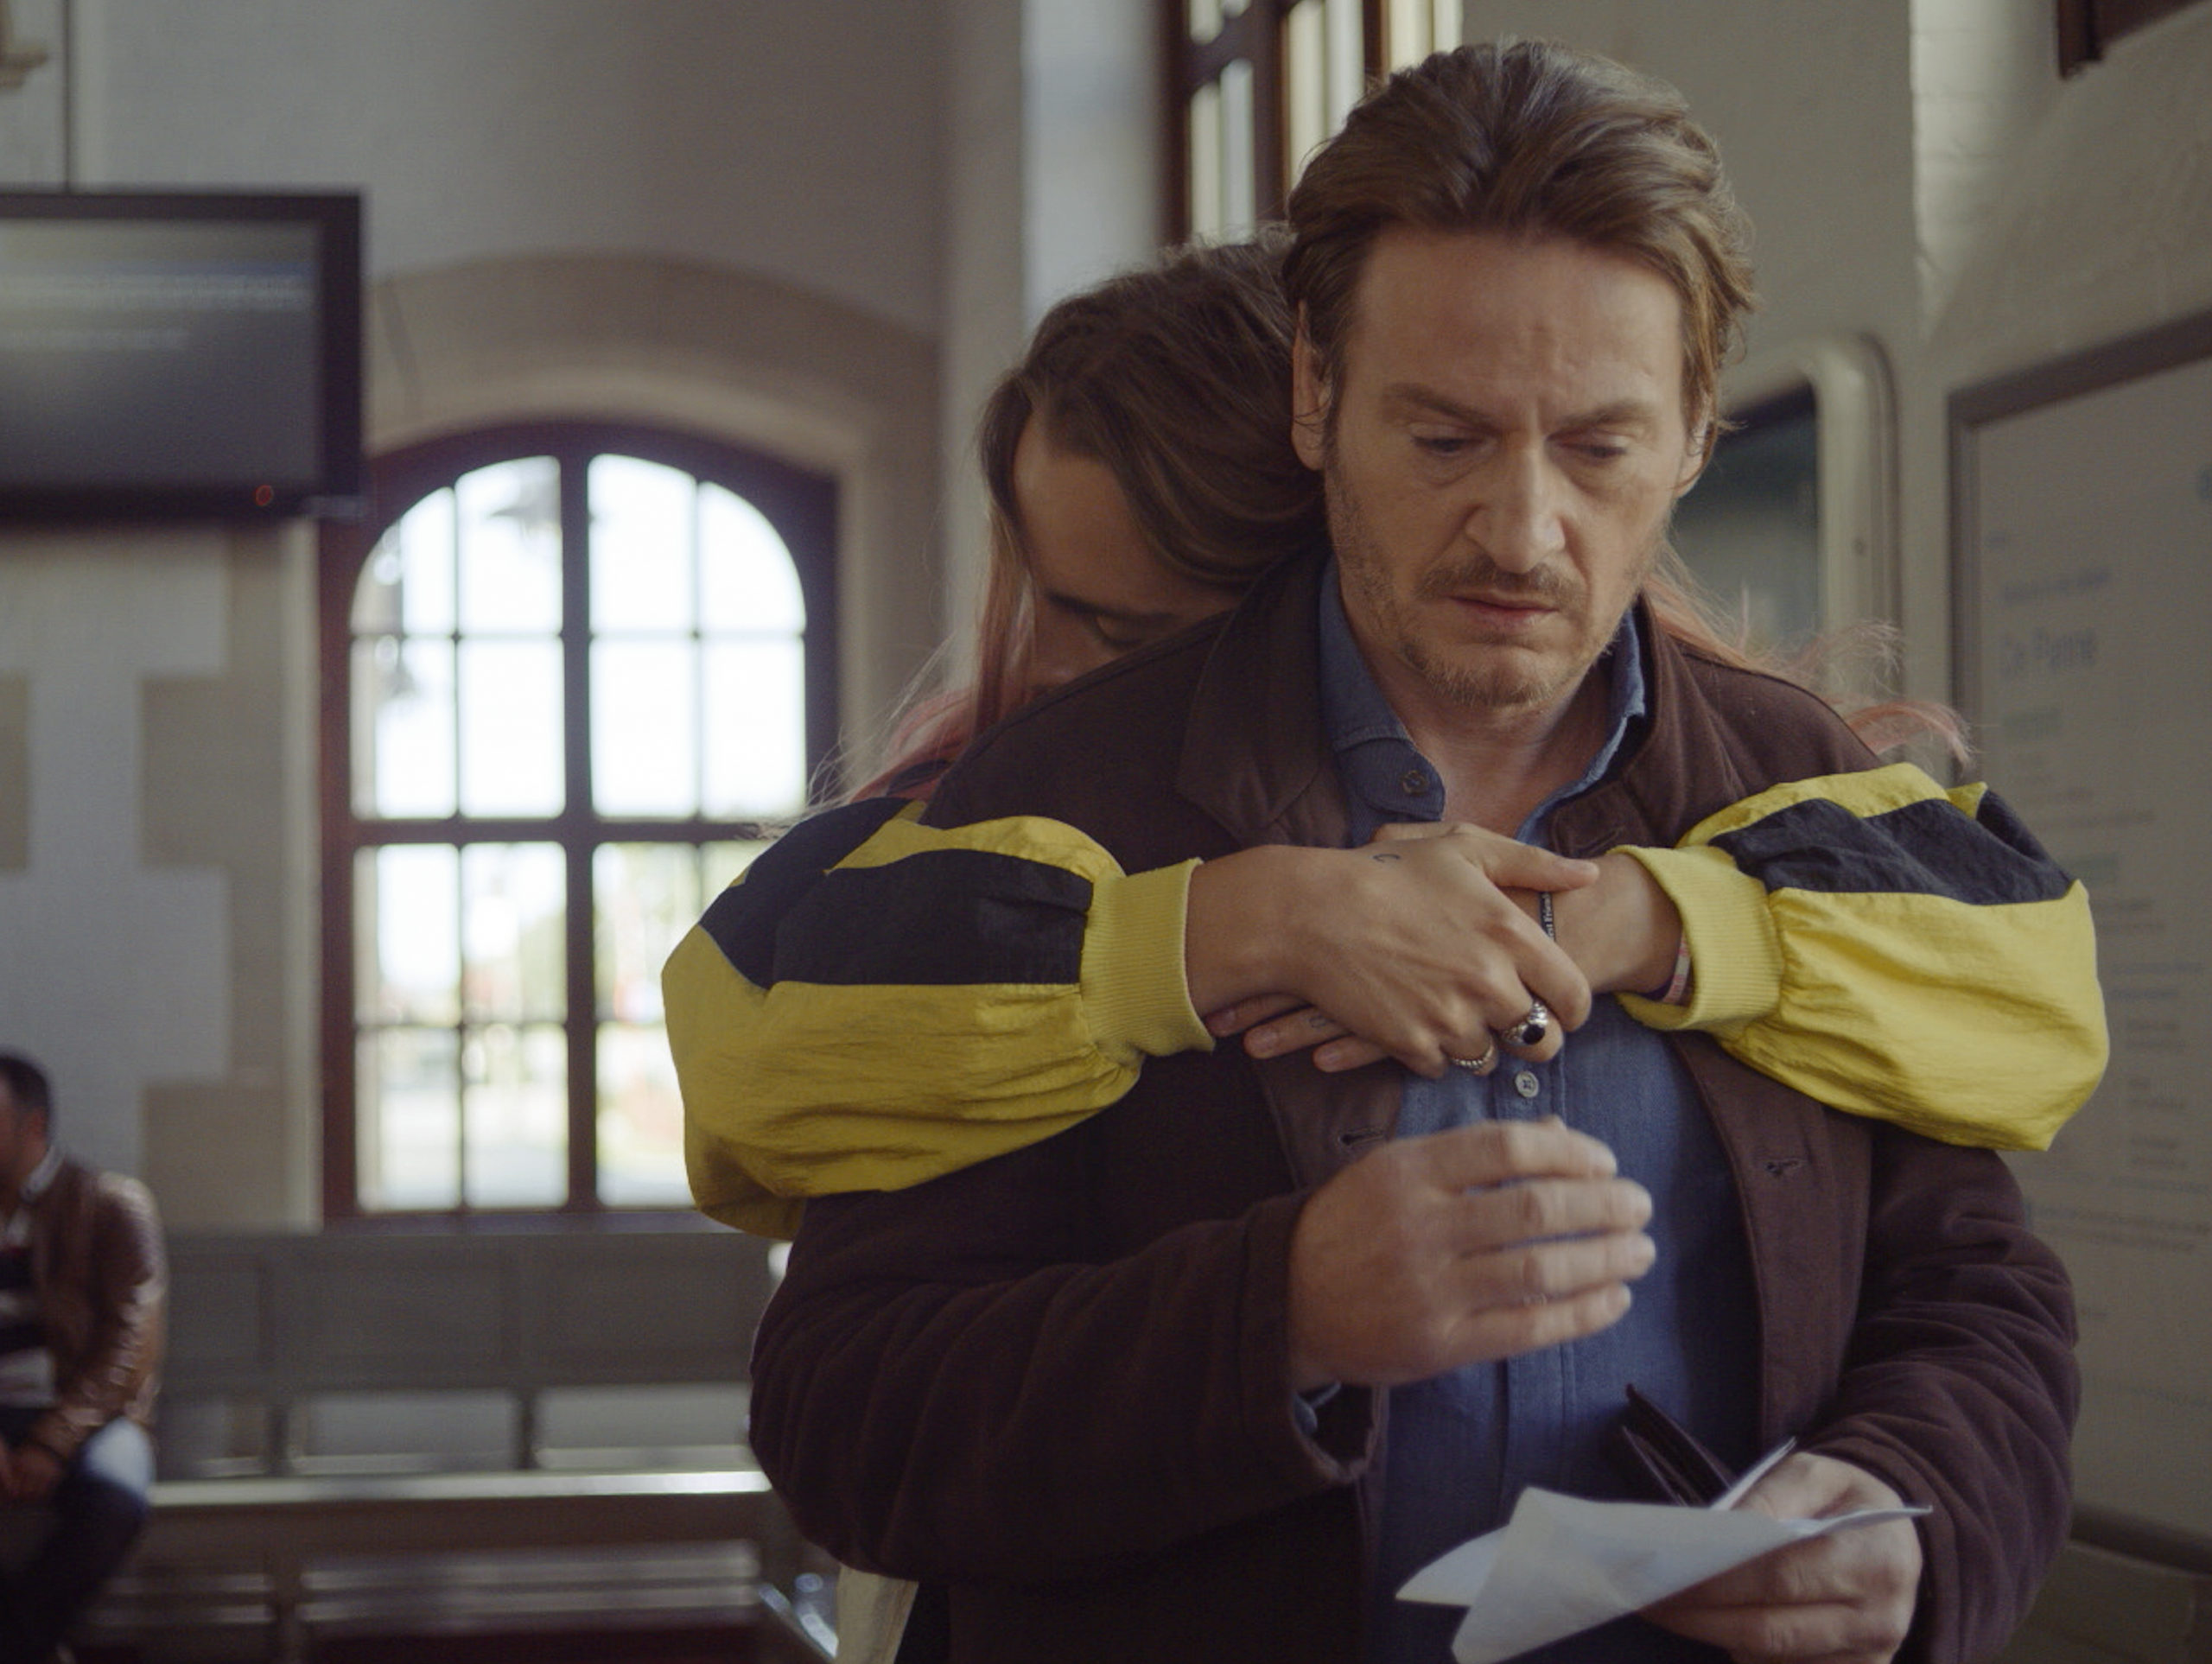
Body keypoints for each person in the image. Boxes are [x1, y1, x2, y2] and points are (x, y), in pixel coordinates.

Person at [741, 41, 2083, 1664]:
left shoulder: (1800, 792)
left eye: (1598, 447)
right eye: (1444, 438)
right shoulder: (1058, 806)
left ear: (1696, 430)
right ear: (1317, 392)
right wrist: (1282, 1312)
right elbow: (846, 1415)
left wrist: (1915, 1511)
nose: (1521, 531)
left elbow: (1977, 1297)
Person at [670, 247, 2101, 1242]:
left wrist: (1654, 916)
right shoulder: (984, 801)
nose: (1046, 667)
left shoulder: (1753, 757)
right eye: (1040, 594)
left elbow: (2038, 1007)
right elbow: (740, 1078)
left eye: (1132, 639)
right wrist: (1229, 924)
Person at [0, 1053, 163, 1664]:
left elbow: (130, 1345)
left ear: (34, 1126)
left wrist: (51, 1441)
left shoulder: (110, 1205)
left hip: (91, 1419)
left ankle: (17, 1644)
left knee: (114, 1497)